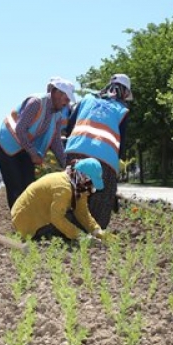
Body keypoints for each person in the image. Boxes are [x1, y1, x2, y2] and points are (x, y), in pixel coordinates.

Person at [0, 77, 76, 209]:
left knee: (28, 186)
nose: (67, 104)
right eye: (66, 99)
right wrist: (33, 154)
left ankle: (26, 222)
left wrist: (67, 165)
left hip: (25, 147)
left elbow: (55, 142)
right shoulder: (36, 103)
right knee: (15, 185)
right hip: (7, 144)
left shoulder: (57, 114)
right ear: (56, 93)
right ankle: (18, 225)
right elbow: (20, 129)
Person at [64, 73, 132, 229]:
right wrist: (114, 172)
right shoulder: (122, 110)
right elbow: (121, 143)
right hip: (104, 157)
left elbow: (69, 126)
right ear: (126, 93)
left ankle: (65, 227)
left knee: (72, 191)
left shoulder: (87, 99)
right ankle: (93, 230)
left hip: (76, 148)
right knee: (101, 196)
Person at [10, 158, 110, 242]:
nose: (91, 189)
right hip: (24, 221)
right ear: (83, 177)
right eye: (91, 183)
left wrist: (96, 230)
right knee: (67, 221)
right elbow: (56, 218)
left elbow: (82, 212)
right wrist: (82, 237)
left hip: (29, 215)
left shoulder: (77, 185)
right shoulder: (64, 188)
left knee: (71, 222)